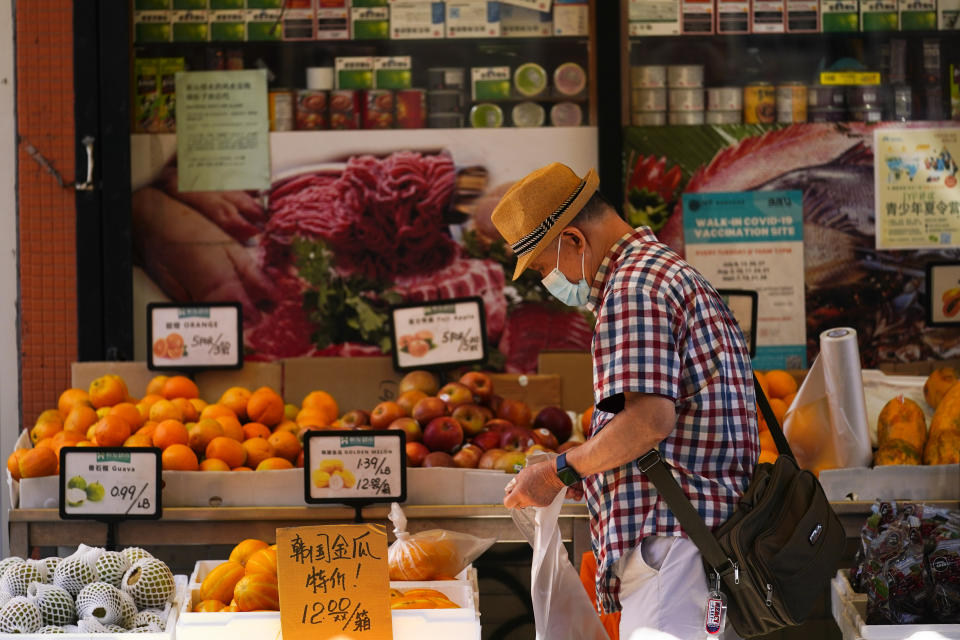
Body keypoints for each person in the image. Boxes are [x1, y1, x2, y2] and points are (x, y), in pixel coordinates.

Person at [492, 163, 758, 640]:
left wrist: (560, 470)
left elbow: (648, 421)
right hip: (699, 544)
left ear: (573, 240)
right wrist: (595, 469)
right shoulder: (664, 271)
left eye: (542, 268)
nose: (549, 281)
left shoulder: (633, 288)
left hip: (674, 553)